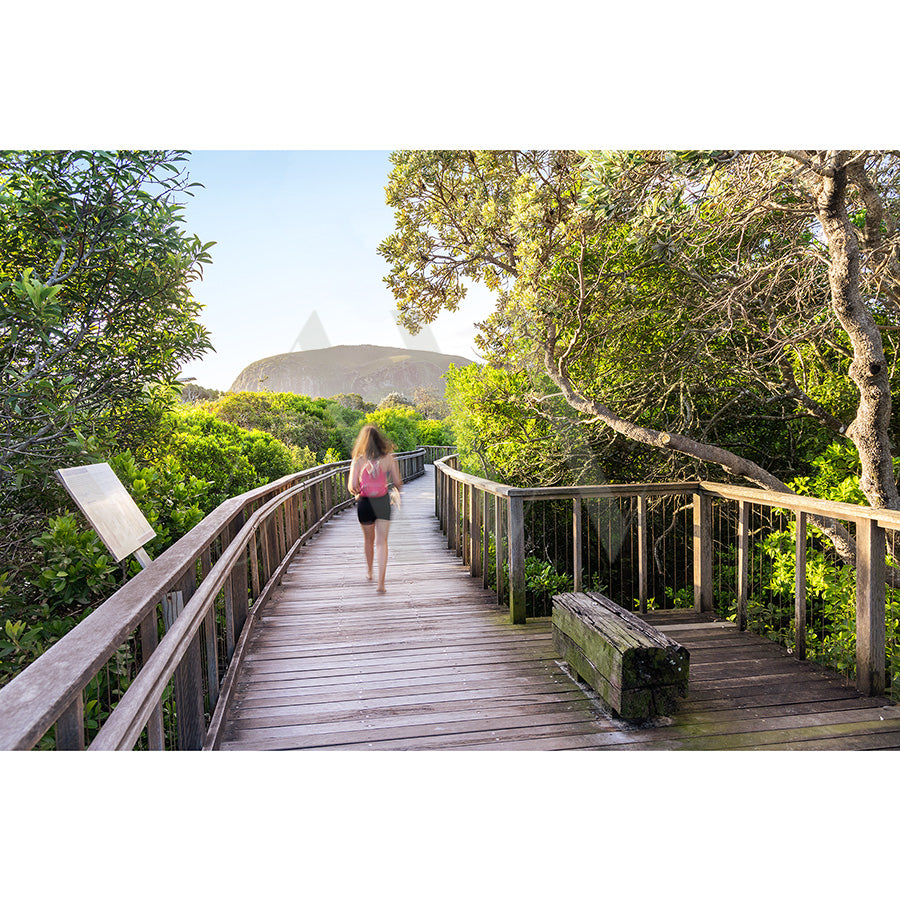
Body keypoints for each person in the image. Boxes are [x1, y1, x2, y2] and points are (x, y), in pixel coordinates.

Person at [347, 424, 402, 592]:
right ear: (379, 439)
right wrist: (394, 492)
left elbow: (352, 486)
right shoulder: (389, 458)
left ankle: (370, 571)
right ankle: (381, 584)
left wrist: (358, 491)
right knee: (382, 543)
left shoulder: (358, 459)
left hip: (365, 503)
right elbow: (398, 483)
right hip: (383, 502)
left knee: (368, 541)